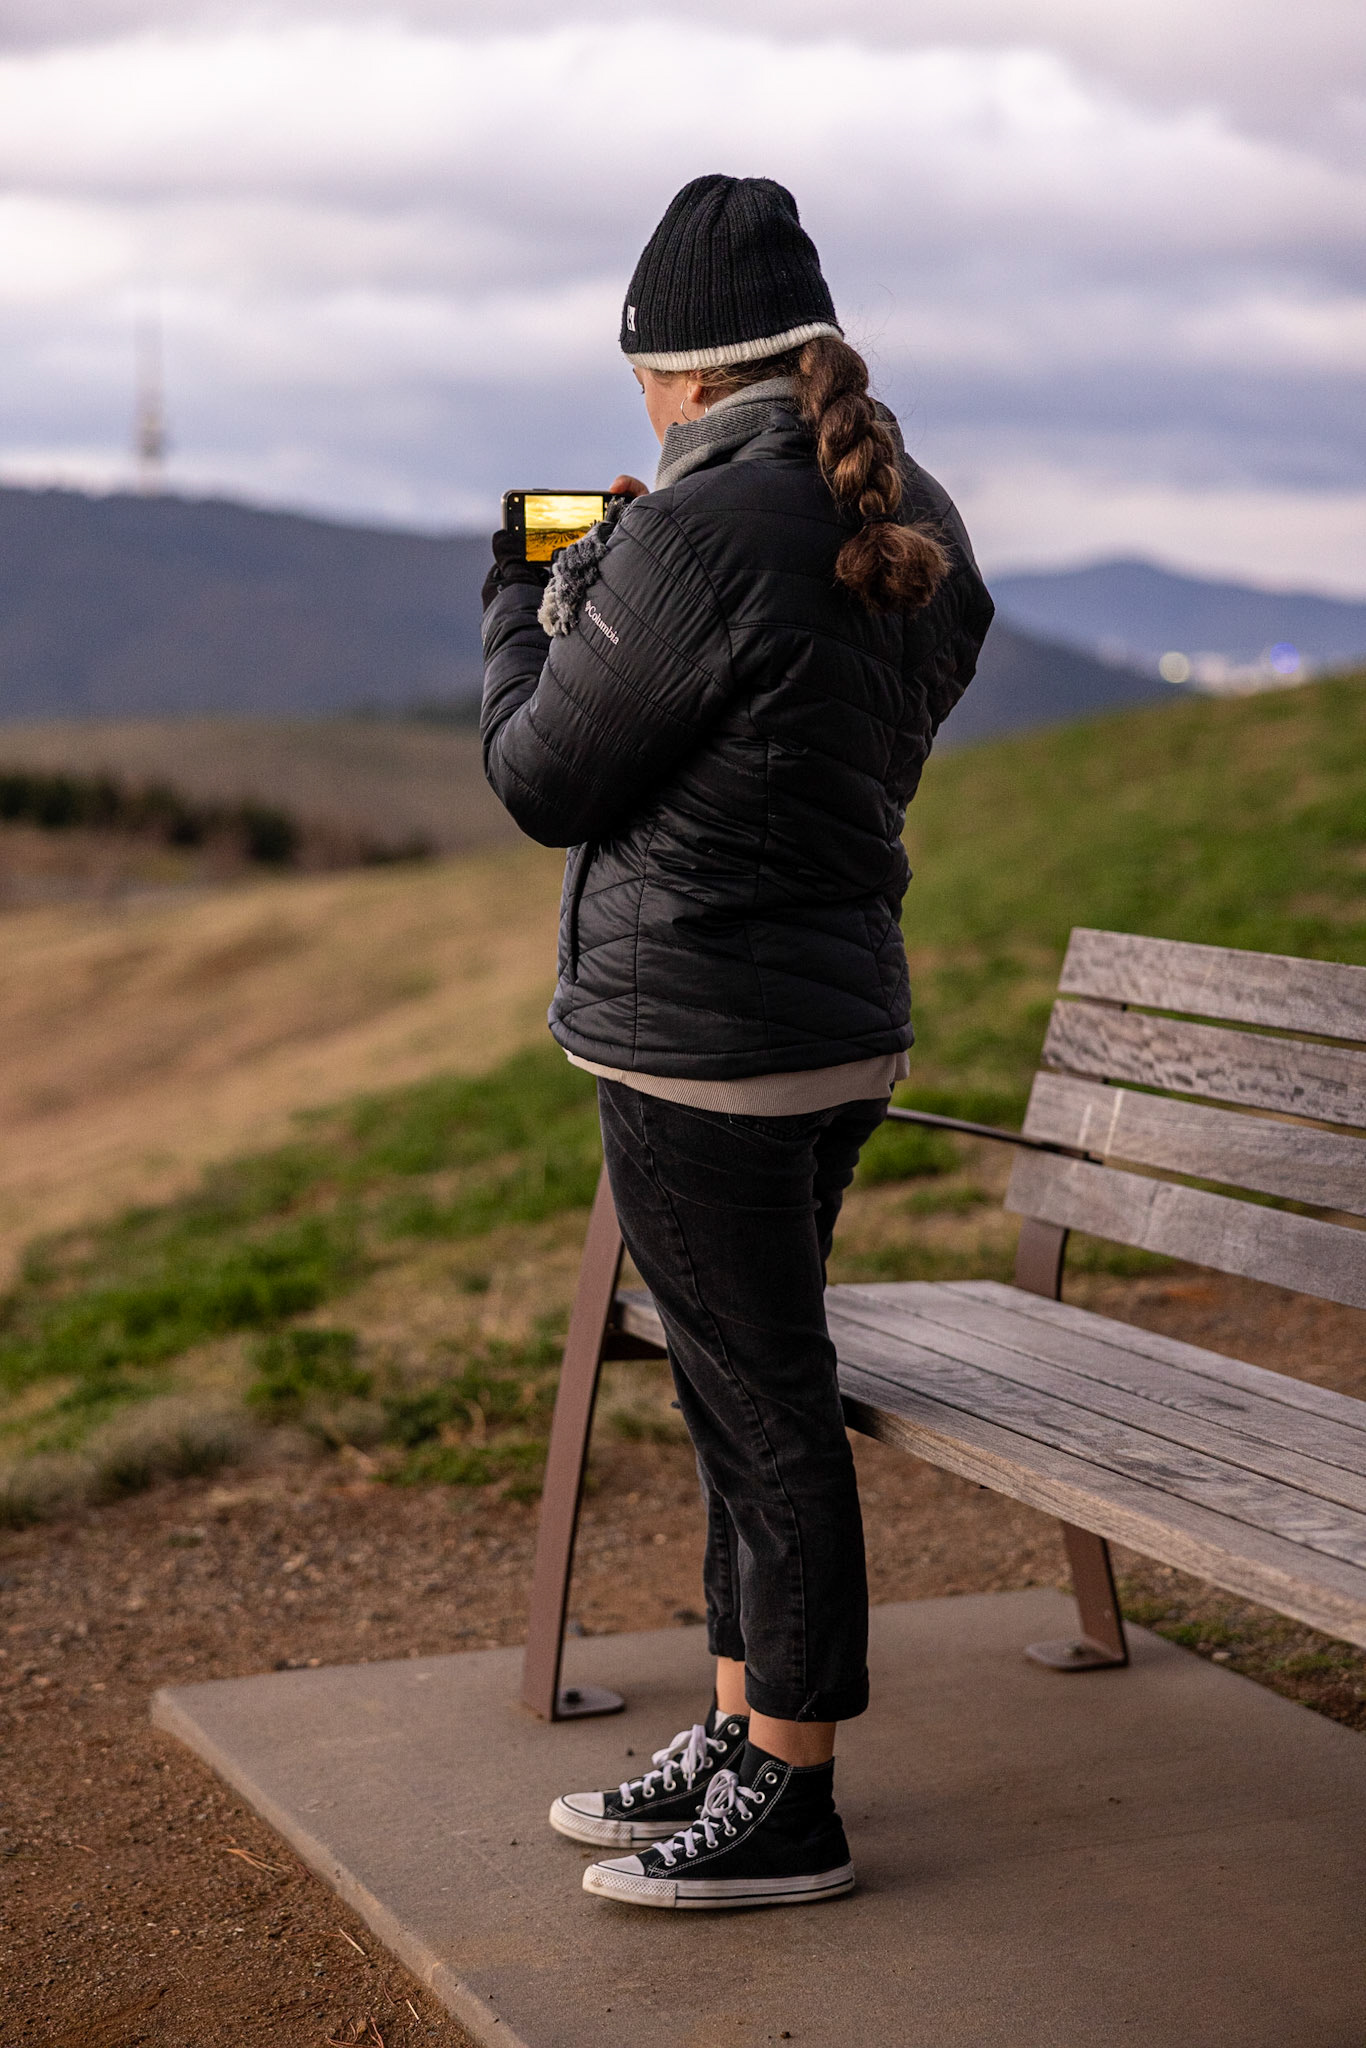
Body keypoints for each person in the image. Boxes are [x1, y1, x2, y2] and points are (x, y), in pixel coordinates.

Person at [481, 173, 993, 1911]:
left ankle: (793, 1798)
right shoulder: (909, 507)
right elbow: (857, 719)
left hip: (701, 1052)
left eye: (640, 377)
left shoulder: (689, 535)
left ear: (681, 375)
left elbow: (541, 779)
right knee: (738, 1394)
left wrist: (521, 596)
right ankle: (737, 1726)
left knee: (762, 1416)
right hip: (835, 1028)